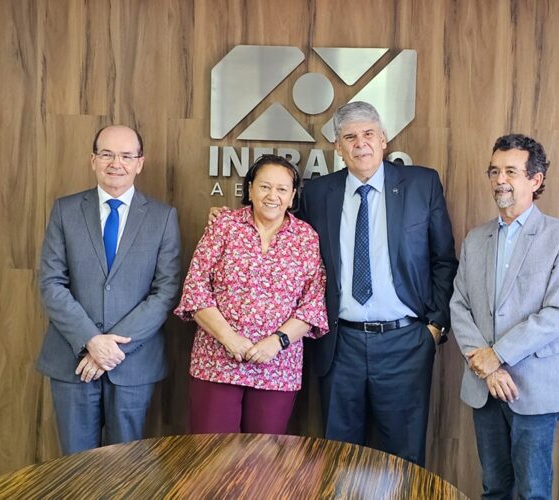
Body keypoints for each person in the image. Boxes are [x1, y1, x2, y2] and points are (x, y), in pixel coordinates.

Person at [300, 102, 458, 465]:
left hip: (405, 342)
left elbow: (443, 260)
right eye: (350, 137)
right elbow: (291, 248)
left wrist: (434, 327)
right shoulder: (318, 193)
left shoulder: (421, 184)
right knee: (339, 457)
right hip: (340, 345)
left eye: (369, 133)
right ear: (337, 146)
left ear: (384, 139)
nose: (361, 144)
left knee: (404, 459)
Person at [450, 134, 559, 499]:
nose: (500, 180)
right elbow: (459, 305)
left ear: (535, 180)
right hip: (484, 385)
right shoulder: (476, 238)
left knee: (532, 492)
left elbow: (558, 312)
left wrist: (498, 355)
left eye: (511, 171)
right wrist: (487, 367)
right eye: (494, 171)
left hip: (536, 386)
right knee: (494, 489)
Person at [37, 125, 181, 455]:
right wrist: (91, 340)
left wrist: (111, 349)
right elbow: (51, 283)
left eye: (126, 156)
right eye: (107, 154)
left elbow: (166, 292)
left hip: (133, 364)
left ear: (140, 163)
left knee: (126, 469)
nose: (116, 163)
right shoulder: (65, 210)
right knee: (76, 466)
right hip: (73, 360)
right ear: (93, 160)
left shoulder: (162, 217)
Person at [176, 154, 328, 434]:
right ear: (250, 189)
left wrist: (277, 342)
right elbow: (196, 289)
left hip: (278, 366)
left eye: (282, 189)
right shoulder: (224, 225)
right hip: (217, 361)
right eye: (264, 186)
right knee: (213, 452)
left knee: (263, 455)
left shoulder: (306, 237)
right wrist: (229, 339)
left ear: (292, 196)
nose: (272, 196)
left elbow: (312, 305)